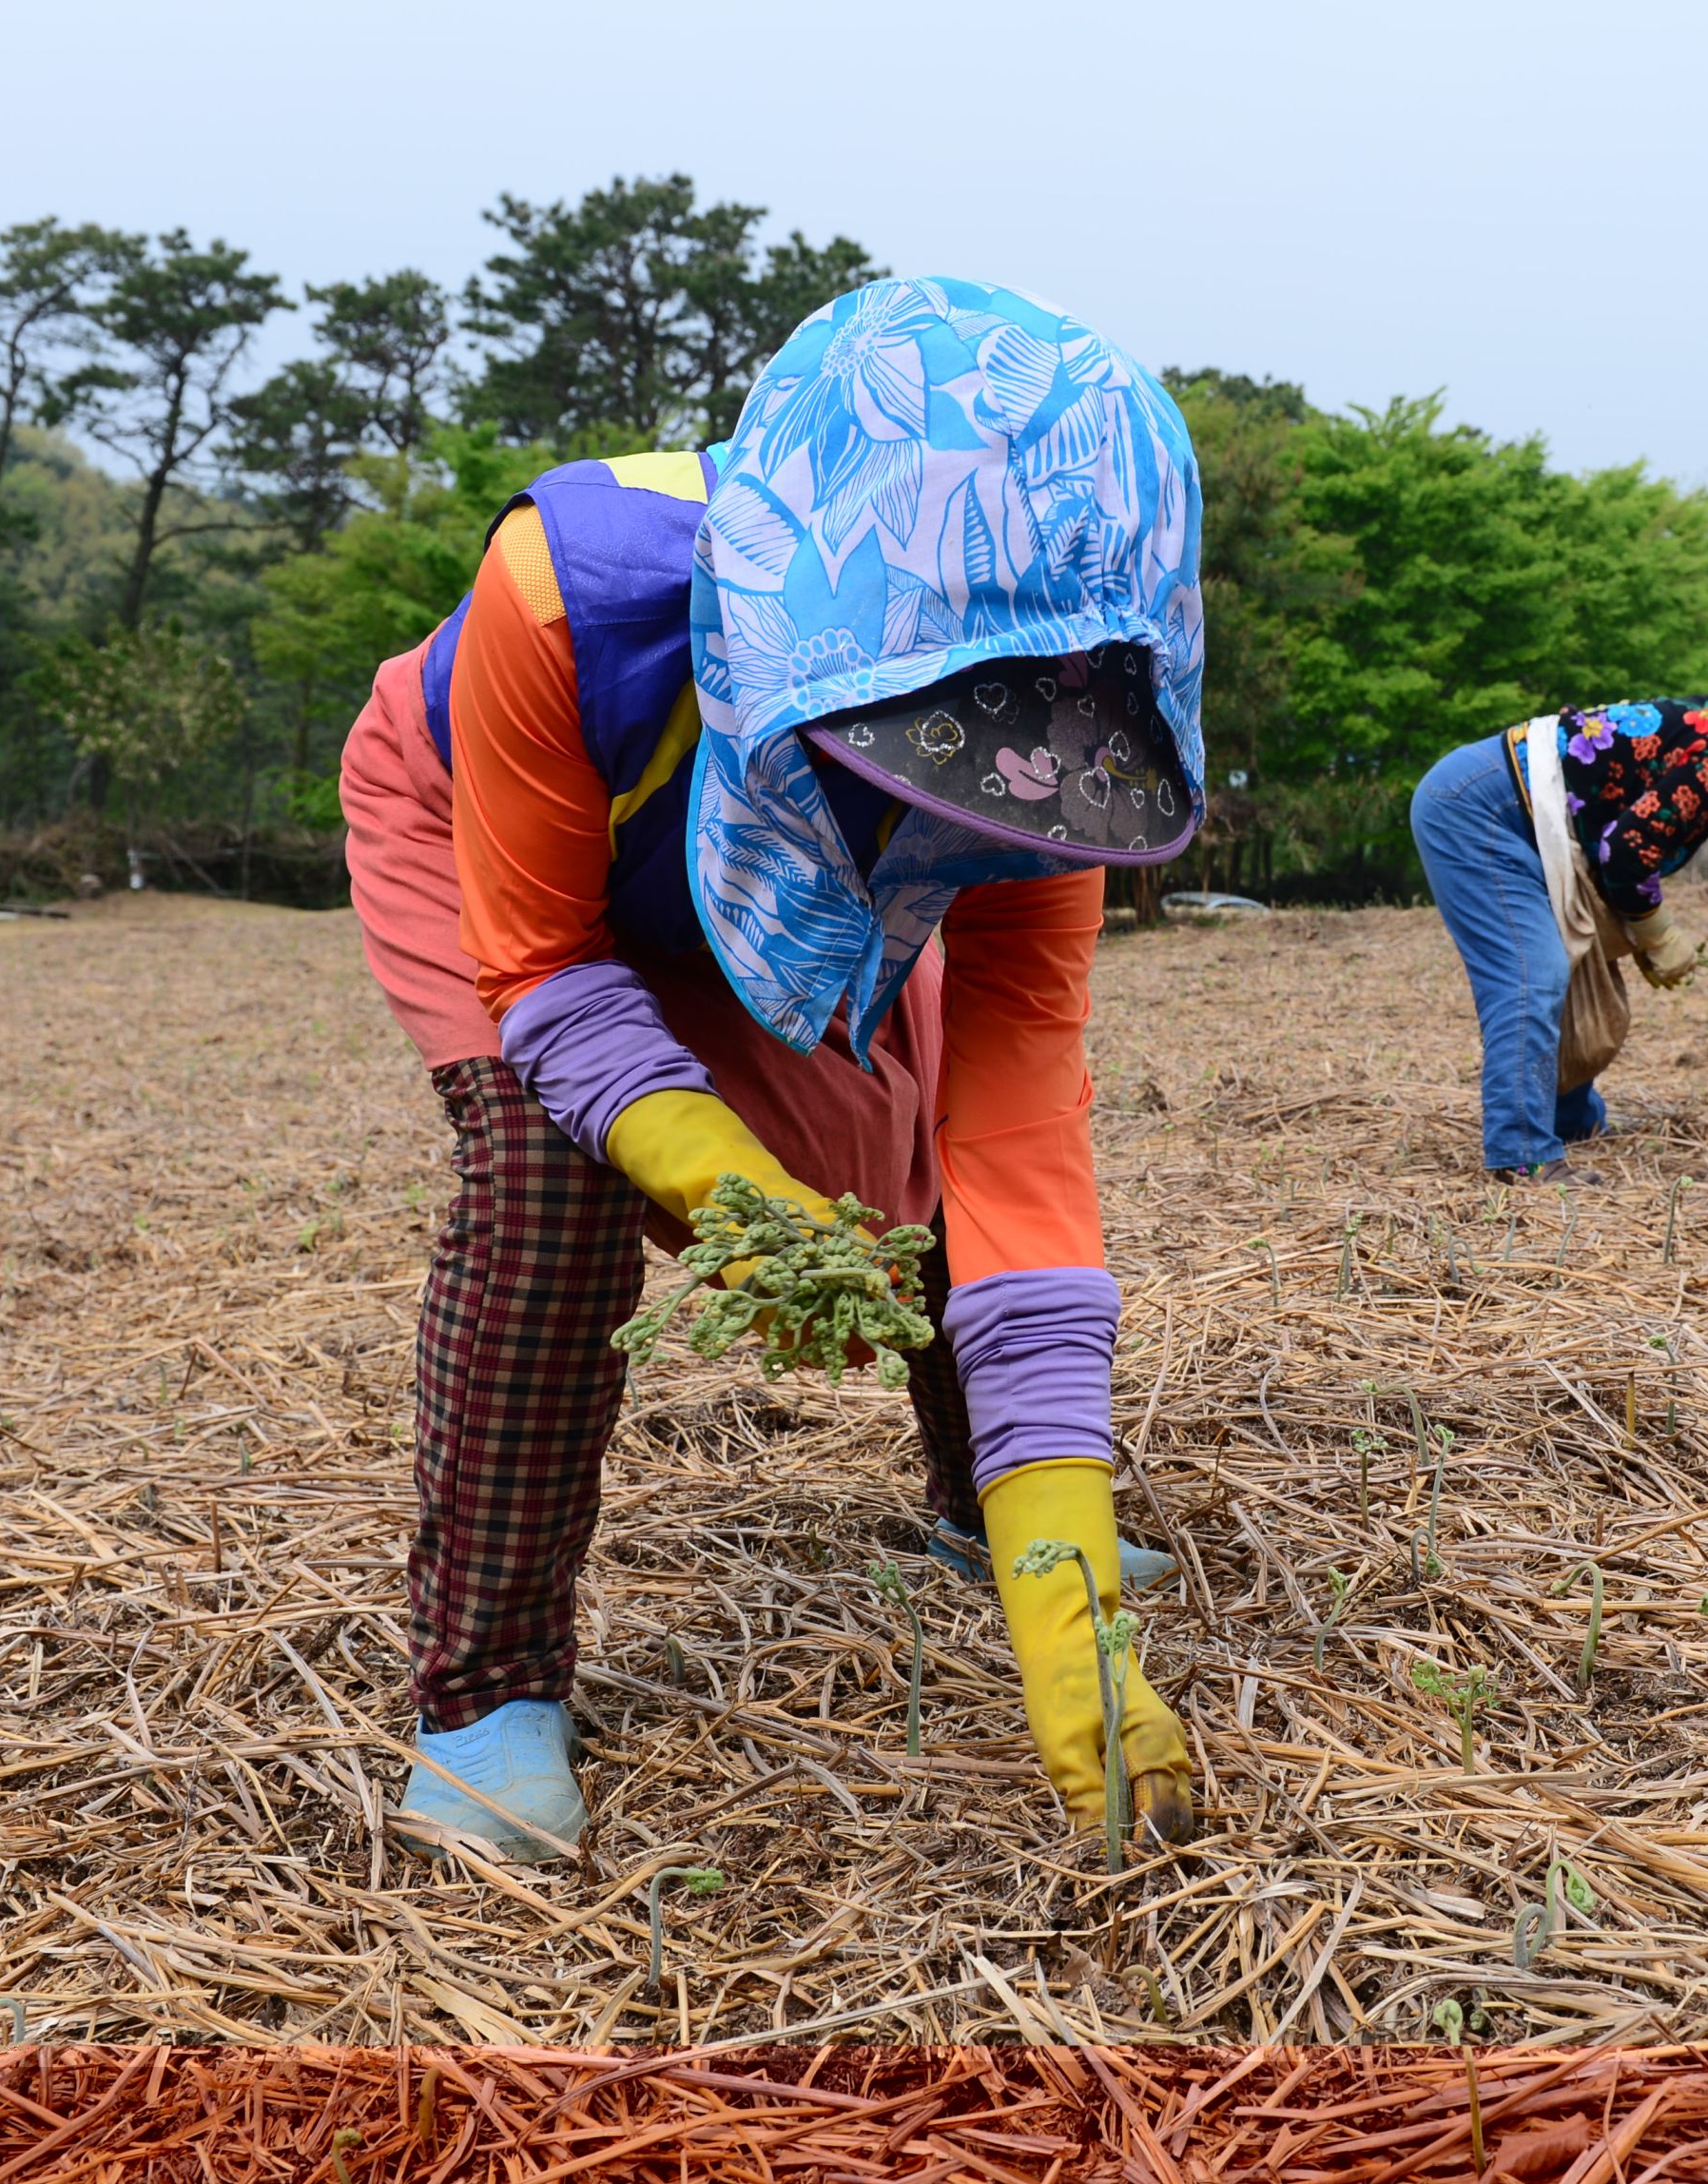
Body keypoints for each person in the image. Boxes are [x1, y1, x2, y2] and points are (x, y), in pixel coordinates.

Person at [341, 275, 1206, 1863]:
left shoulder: (1054, 759)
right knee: (552, 1176)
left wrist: (1064, 1591)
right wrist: (719, 1179)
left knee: (922, 1174)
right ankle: (487, 1691)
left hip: (778, 880)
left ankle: (983, 1508)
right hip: (501, 836)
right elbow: (545, 967)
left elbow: (1013, 1133)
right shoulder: (569, 593)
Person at [1408, 611, 1708, 1180]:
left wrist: (1644, 922)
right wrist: (1655, 930)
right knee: (1533, 972)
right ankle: (1521, 1154)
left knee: (1573, 963)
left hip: (1505, 803)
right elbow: (1628, 849)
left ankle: (1572, 1117)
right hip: (1478, 808)